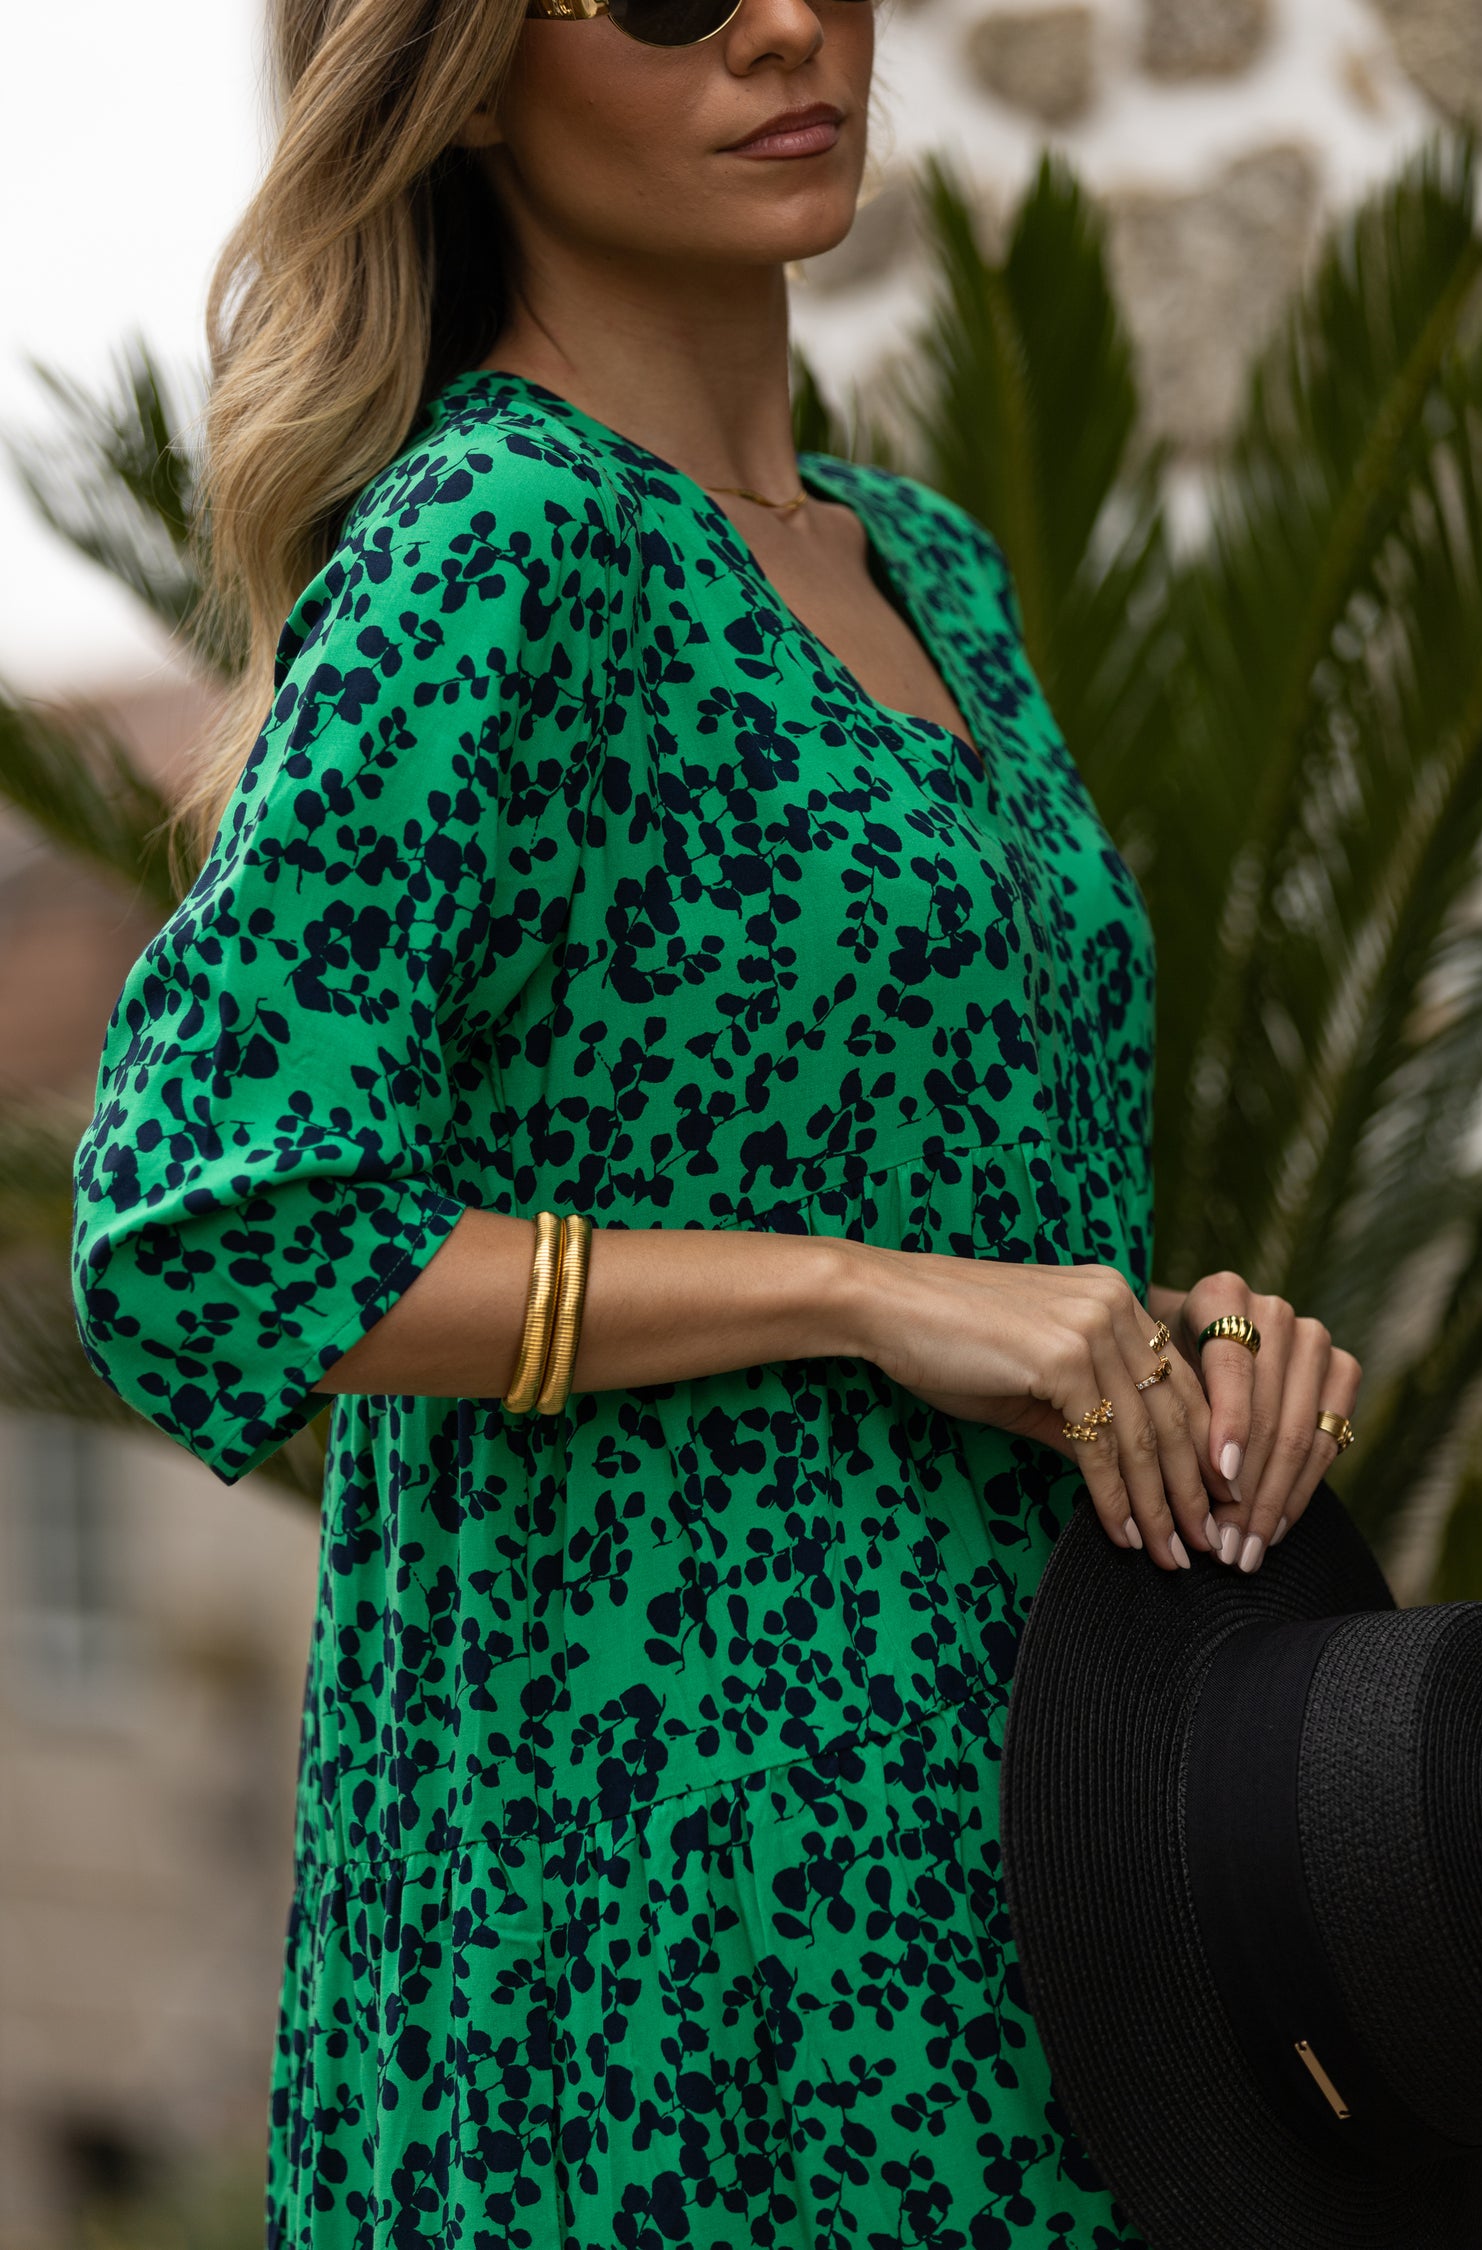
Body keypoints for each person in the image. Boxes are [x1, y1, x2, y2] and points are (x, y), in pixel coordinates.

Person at [70, 0, 1364, 2241]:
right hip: (651, 1903)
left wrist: (1172, 1350)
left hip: (1042, 1861)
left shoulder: (928, 564)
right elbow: (207, 1236)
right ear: (470, 71)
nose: (783, 24)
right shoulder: (495, 540)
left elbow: (965, 1201)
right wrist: (858, 1296)